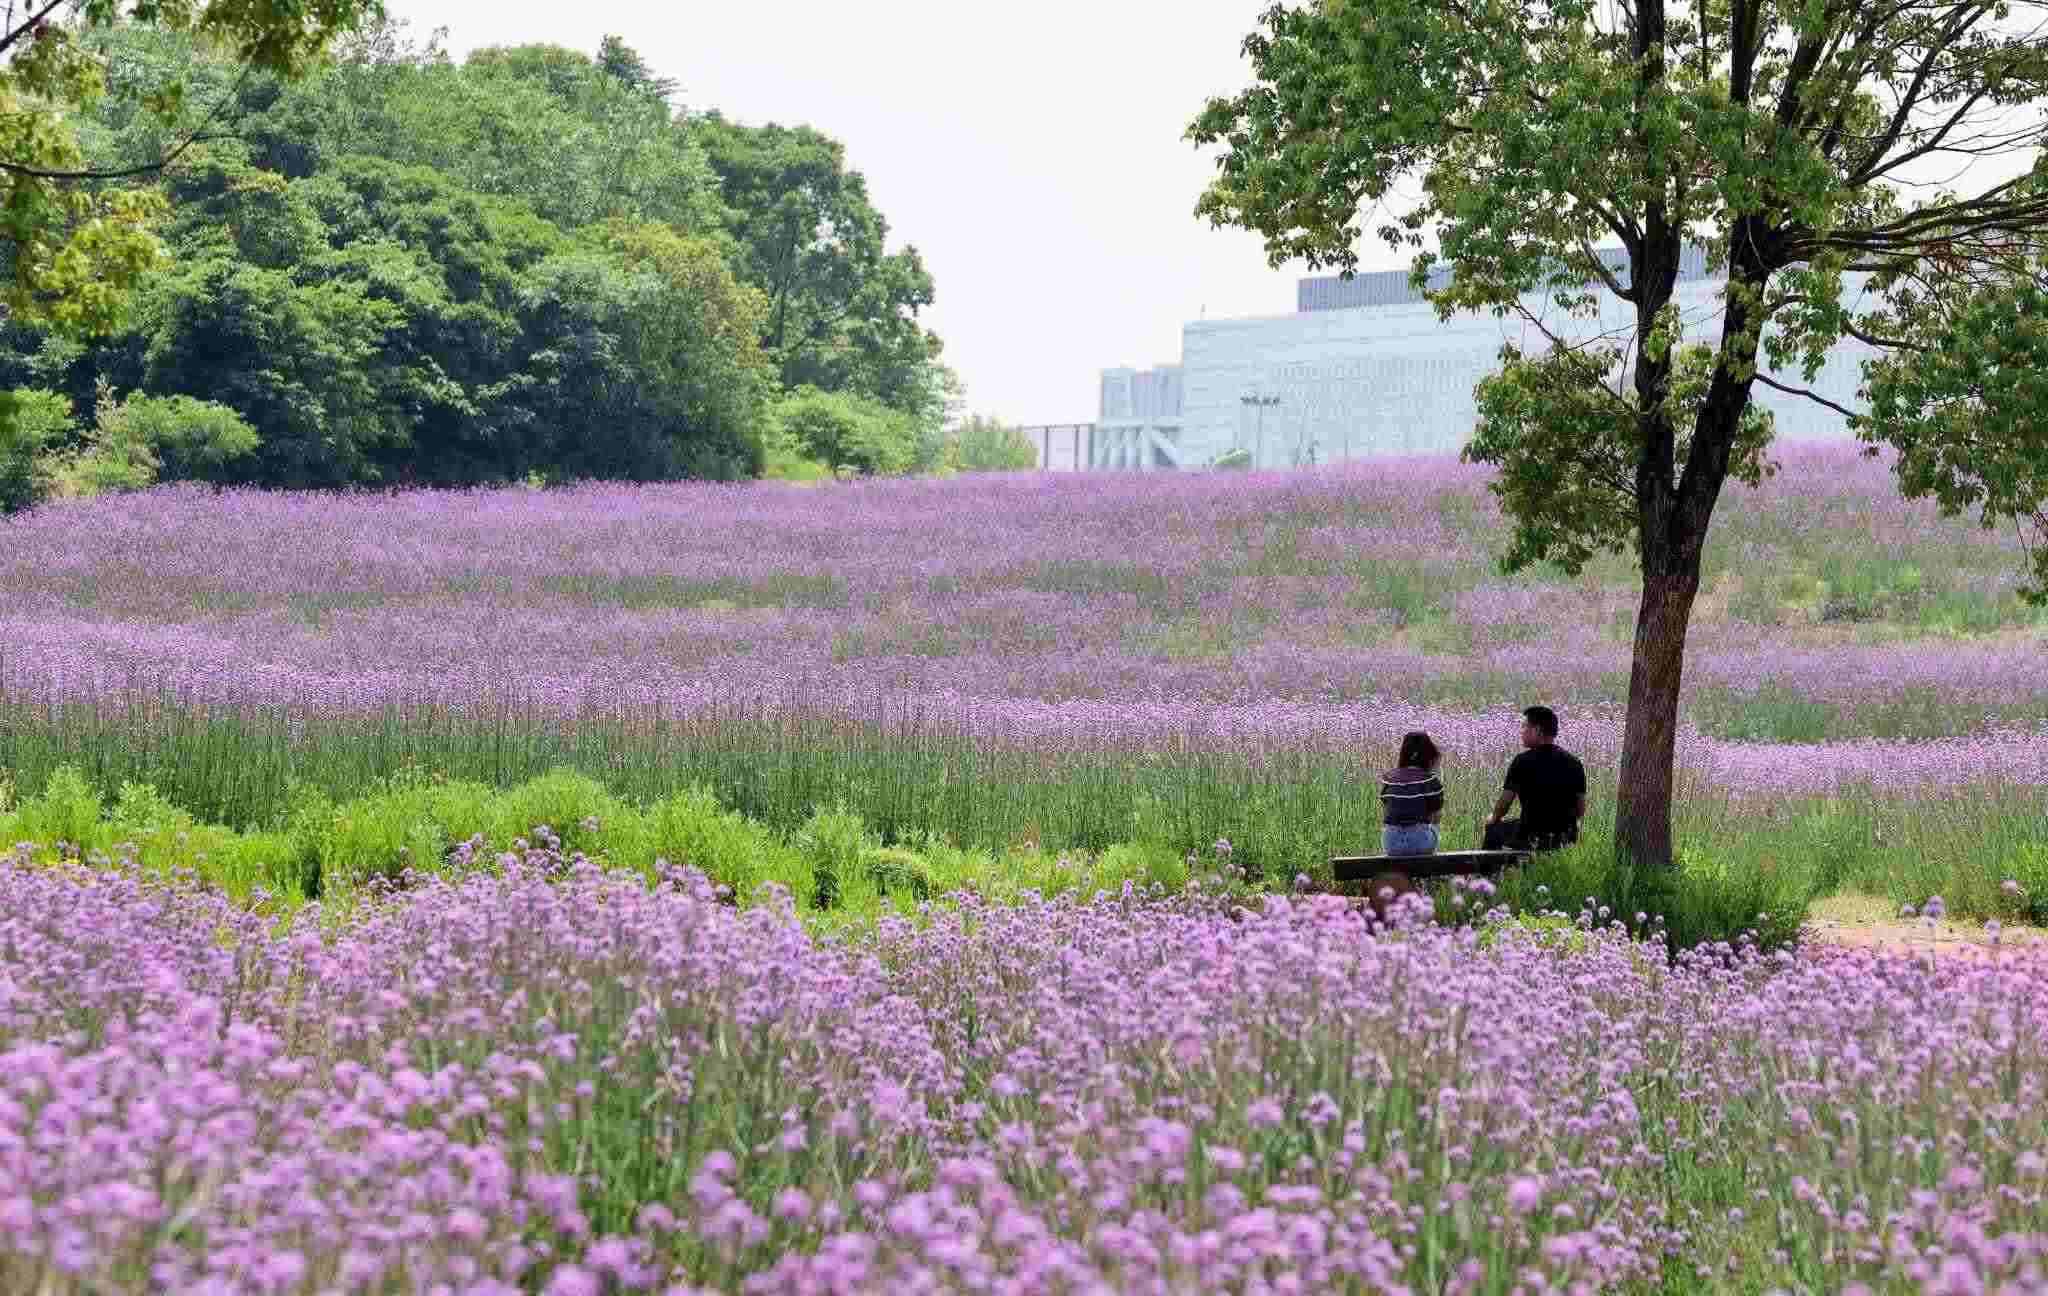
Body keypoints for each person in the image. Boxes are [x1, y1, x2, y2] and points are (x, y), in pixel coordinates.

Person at [1483, 705, 1587, 852]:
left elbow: (1504, 803)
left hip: (1531, 837)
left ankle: (1487, 867)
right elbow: (1580, 809)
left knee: (1493, 827)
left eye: (1525, 727)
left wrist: (1493, 818)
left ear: (1537, 730)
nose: (1522, 731)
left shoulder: (1522, 761)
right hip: (1565, 838)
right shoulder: (1575, 763)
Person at [1380, 730, 1445, 857]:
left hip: (1391, 844)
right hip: (1420, 844)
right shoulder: (1429, 780)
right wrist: (1435, 773)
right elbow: (1436, 816)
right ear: (1430, 756)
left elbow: (1387, 811)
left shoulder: (1389, 779)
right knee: (1435, 824)